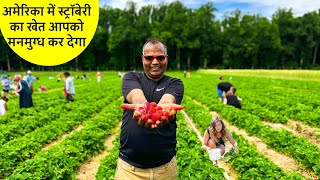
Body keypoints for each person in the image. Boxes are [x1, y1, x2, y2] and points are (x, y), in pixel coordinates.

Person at [115, 39, 184, 180]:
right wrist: (144, 108)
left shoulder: (175, 83)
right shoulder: (131, 77)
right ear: (142, 59)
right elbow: (137, 97)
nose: (155, 62)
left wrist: (161, 110)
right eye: (149, 57)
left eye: (160, 57)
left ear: (166, 58)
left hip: (165, 170)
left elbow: (167, 100)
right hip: (129, 171)